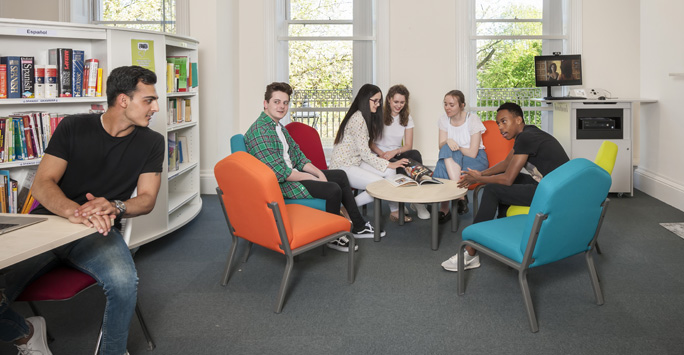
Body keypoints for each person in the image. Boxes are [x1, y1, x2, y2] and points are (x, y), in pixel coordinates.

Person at [0, 65, 165, 355]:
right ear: (123, 100)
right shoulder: (73, 126)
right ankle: (25, 334)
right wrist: (76, 212)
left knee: (125, 282)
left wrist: (115, 206)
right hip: (50, 223)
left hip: (98, 230)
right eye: (149, 100)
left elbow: (148, 198)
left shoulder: (152, 142)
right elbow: (42, 183)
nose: (156, 107)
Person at [245, 82, 379, 253]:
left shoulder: (279, 127)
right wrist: (313, 178)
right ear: (266, 103)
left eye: (285, 103)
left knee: (339, 175)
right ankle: (333, 236)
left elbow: (298, 156)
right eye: (277, 102)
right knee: (332, 190)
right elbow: (281, 173)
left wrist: (316, 172)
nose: (281, 107)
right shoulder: (260, 131)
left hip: (292, 174)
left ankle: (358, 225)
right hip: (281, 184)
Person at [440, 102, 569, 272]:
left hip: (553, 195)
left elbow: (508, 179)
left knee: (493, 189)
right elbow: (507, 163)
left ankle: (471, 252)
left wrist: (481, 179)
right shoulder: (527, 133)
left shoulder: (526, 137)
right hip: (553, 188)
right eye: (498, 123)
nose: (500, 127)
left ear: (518, 119)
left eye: (504, 121)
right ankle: (503, 241)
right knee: (501, 185)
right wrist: (482, 174)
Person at [329, 83, 410, 223]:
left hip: (356, 161)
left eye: (379, 101)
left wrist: (389, 166)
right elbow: (366, 153)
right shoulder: (358, 119)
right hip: (343, 165)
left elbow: (364, 153)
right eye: (375, 100)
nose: (378, 104)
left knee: (390, 173)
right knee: (381, 185)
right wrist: (390, 163)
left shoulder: (364, 117)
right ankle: (348, 208)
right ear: (365, 99)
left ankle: (394, 211)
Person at [371, 84, 429, 220]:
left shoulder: (407, 118)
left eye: (402, 102)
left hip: (395, 155)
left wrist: (394, 152)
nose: (399, 105)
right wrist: (382, 153)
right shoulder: (377, 115)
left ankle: (417, 202)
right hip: (378, 155)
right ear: (389, 100)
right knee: (401, 167)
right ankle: (399, 206)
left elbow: (408, 145)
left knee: (415, 154)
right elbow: (369, 142)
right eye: (396, 102)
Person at [432, 90, 488, 221]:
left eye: (451, 105)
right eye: (445, 104)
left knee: (443, 164)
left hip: (476, 160)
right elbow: (441, 146)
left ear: (462, 105)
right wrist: (447, 141)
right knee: (445, 154)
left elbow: (473, 153)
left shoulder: (472, 119)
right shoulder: (443, 119)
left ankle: (444, 209)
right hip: (454, 161)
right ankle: (460, 197)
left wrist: (455, 147)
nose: (447, 108)